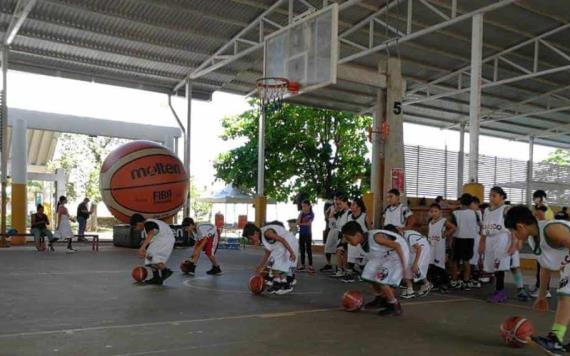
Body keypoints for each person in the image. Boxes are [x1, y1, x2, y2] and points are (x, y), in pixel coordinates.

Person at [505, 205, 570, 353]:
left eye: (513, 231)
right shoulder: (535, 239)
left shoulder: (551, 230)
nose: (514, 235)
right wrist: (542, 295)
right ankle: (556, 338)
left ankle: (555, 339)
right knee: (566, 294)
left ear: (520, 226)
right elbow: (545, 266)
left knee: (565, 293)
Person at [341, 222, 408, 316]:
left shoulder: (376, 238)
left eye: (349, 239)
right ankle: (379, 299)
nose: (348, 242)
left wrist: (405, 267)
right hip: (385, 254)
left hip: (397, 254)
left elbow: (397, 246)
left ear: (358, 235)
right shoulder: (363, 241)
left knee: (381, 279)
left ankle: (394, 305)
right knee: (368, 274)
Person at [479, 187, 529, 303]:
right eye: (490, 195)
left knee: (512, 266)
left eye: (494, 195)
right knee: (497, 268)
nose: (491, 197)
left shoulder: (506, 209)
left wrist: (514, 244)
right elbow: (484, 227)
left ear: (502, 196)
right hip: (490, 240)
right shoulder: (487, 210)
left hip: (504, 239)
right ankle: (499, 290)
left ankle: (516, 289)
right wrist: (482, 242)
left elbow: (514, 227)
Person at [242, 221, 297, 295]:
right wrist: (260, 266)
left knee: (275, 264)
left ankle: (281, 285)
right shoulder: (262, 237)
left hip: (289, 242)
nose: (251, 240)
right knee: (271, 263)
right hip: (283, 245)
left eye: (251, 238)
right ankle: (281, 284)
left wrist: (292, 252)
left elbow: (282, 240)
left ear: (255, 233)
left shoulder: (267, 233)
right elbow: (267, 254)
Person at [130, 213, 174, 285]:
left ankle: (165, 271)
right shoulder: (148, 224)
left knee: (150, 255)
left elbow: (151, 233)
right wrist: (144, 242)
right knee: (149, 257)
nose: (136, 229)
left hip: (164, 239)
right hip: (164, 239)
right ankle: (157, 277)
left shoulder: (148, 223)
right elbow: (153, 234)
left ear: (139, 223)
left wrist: (142, 247)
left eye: (135, 227)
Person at [448, 193, 479, 290]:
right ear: (471, 203)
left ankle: (454, 280)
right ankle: (466, 281)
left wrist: (450, 240)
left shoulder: (455, 213)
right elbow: (479, 225)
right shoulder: (475, 213)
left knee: (454, 261)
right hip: (470, 239)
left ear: (460, 202)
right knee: (467, 261)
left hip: (458, 238)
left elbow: (452, 227)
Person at [427, 203, 455, 293]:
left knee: (440, 267)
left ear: (440, 212)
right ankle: (436, 283)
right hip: (432, 247)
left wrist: (445, 234)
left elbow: (453, 228)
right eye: (432, 211)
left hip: (440, 248)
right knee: (432, 266)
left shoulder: (443, 221)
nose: (434, 213)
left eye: (436, 211)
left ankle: (445, 284)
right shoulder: (430, 222)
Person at [342, 197, 371, 283]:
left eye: (354, 204)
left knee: (363, 261)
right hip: (352, 241)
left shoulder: (365, 216)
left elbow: (370, 229)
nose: (351, 206)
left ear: (359, 207)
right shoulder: (349, 216)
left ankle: (365, 274)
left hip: (362, 241)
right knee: (350, 258)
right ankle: (349, 275)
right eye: (351, 204)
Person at [322, 193, 350, 276]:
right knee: (340, 252)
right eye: (337, 203)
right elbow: (330, 218)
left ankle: (343, 270)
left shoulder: (349, 213)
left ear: (345, 202)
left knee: (343, 253)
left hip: (345, 234)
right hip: (340, 233)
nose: (338, 205)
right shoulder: (341, 212)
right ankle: (341, 270)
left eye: (340, 203)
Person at [401, 230, 432, 299]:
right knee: (406, 266)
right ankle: (410, 289)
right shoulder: (403, 235)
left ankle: (426, 284)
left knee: (414, 268)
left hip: (422, 249)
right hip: (416, 248)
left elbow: (419, 248)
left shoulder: (407, 236)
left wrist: (415, 263)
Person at [530, 205, 552, 299]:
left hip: (546, 251)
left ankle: (545, 290)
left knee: (544, 270)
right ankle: (539, 287)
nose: (535, 212)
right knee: (540, 269)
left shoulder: (548, 223)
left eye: (537, 210)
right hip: (540, 250)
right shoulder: (536, 223)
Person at [296, 200, 315, 273]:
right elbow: (297, 222)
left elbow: (308, 224)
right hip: (301, 233)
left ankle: (310, 265)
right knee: (302, 249)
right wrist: (300, 213)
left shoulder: (311, 214)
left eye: (305, 206)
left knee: (309, 249)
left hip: (308, 234)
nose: (303, 208)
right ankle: (302, 265)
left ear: (309, 206)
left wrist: (300, 223)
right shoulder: (302, 213)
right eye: (302, 206)